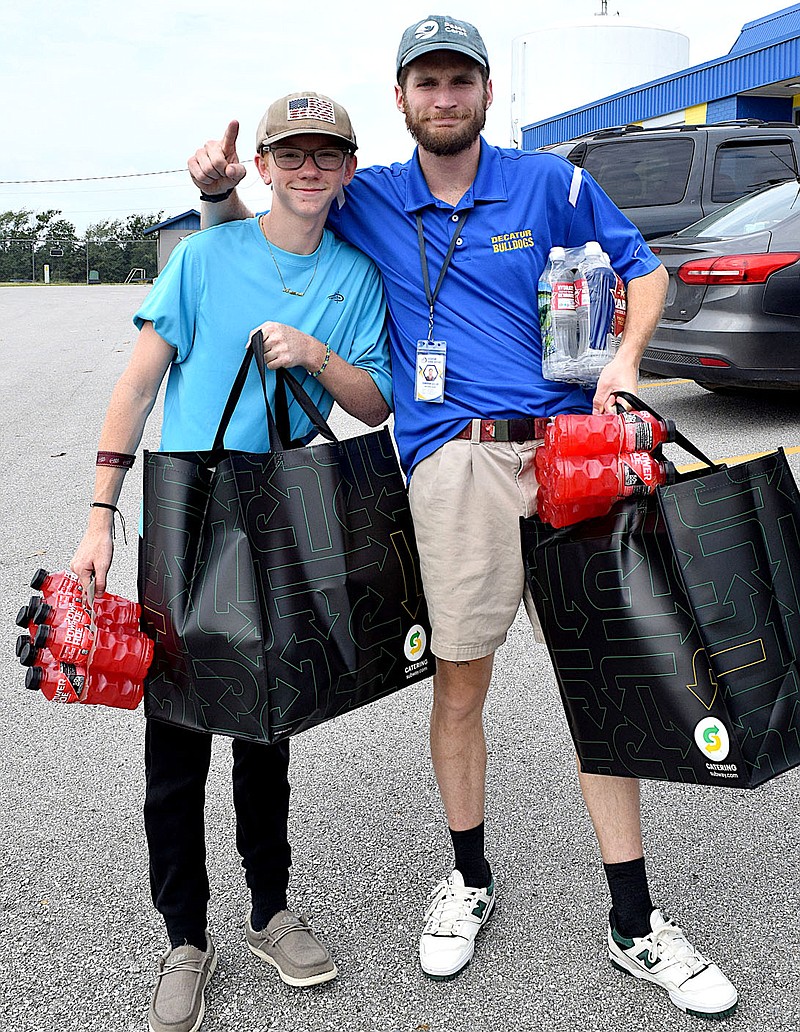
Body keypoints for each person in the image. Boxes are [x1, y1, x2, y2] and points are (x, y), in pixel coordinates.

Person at [188, 17, 738, 1020]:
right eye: (425, 82)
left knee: (603, 688)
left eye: (459, 79)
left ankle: (633, 922)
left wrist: (622, 360)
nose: (443, 96)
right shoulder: (374, 199)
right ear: (400, 100)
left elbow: (647, 273)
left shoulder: (554, 185)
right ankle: (469, 878)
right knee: (459, 683)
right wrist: (222, 189)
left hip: (574, 456)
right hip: (456, 464)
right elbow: (269, 243)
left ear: (484, 91)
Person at [71, 91, 392, 1032]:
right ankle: (184, 937)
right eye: (289, 153)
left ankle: (270, 911)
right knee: (177, 738)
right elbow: (138, 385)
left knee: (266, 724)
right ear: (264, 167)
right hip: (190, 508)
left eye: (324, 155)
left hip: (284, 512)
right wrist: (100, 516)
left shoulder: (354, 278)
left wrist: (315, 355)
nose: (305, 169)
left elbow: (373, 405)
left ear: (347, 167)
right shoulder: (206, 258)